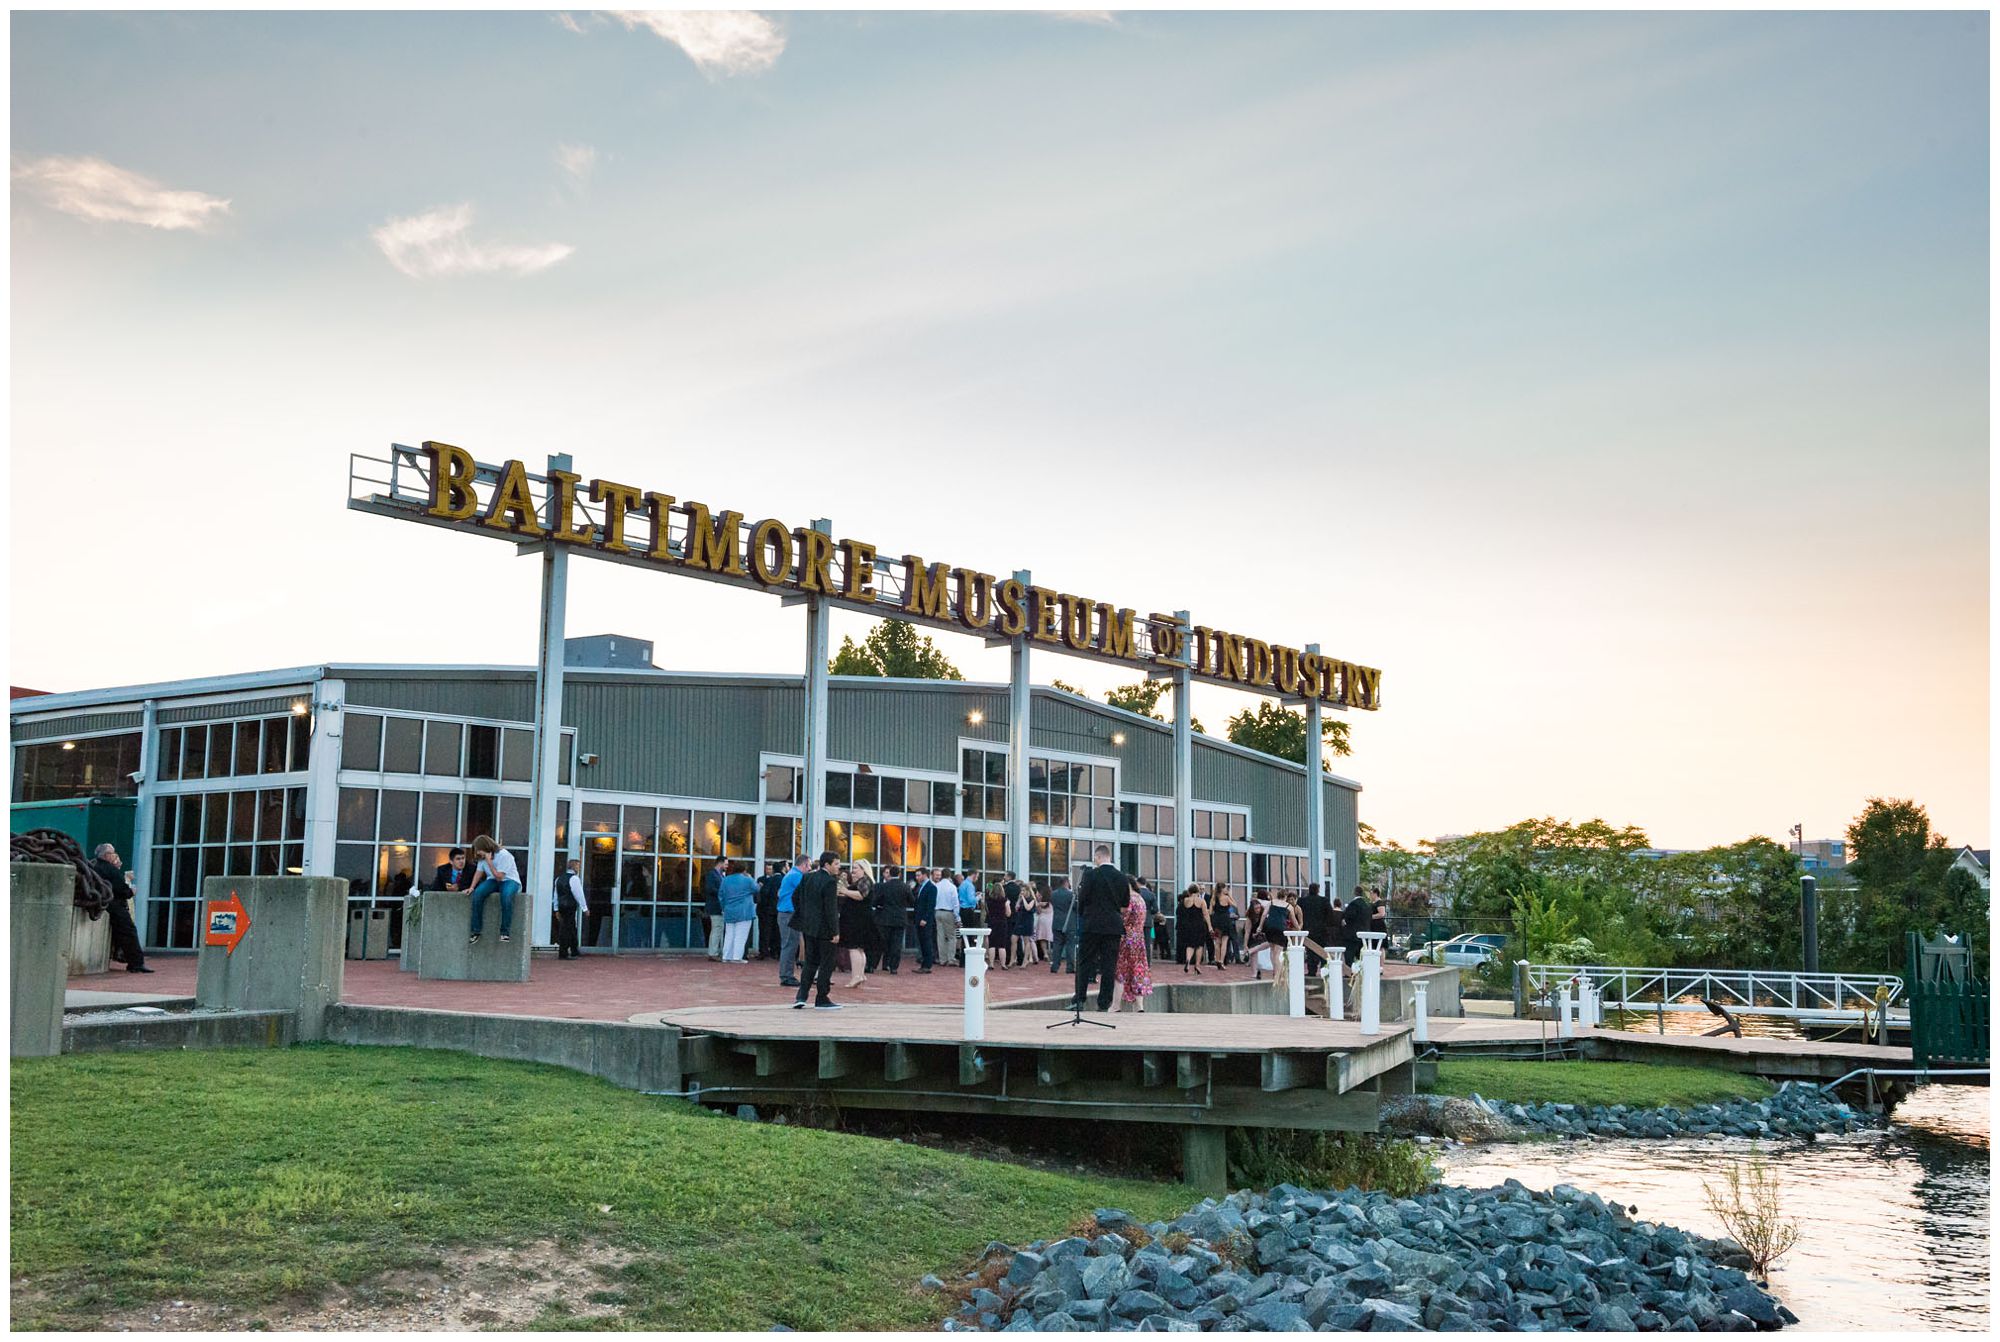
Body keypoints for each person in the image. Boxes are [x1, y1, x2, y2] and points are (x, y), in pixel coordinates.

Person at [1071, 844, 1128, 1012]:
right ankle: (1103, 1003)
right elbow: (1125, 905)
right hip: (1113, 926)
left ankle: (1079, 999)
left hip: (1092, 924)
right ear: (1109, 857)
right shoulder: (1121, 877)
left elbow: (1082, 898)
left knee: (1085, 962)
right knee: (1109, 965)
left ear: (1097, 857)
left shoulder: (1090, 875)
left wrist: (1083, 914)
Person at [791, 851, 843, 1010]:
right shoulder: (829, 882)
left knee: (810, 962)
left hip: (808, 927)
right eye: (836, 864)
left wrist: (805, 914)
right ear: (827, 864)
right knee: (827, 963)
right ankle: (822, 997)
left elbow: (795, 897)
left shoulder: (807, 877)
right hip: (825, 929)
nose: (839, 867)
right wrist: (835, 931)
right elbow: (830, 909)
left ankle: (801, 996)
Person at [90, 843, 151, 974]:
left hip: (104, 904)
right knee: (129, 932)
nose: (115, 856)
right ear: (107, 856)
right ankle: (136, 963)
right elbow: (122, 890)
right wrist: (131, 891)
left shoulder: (94, 867)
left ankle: (127, 958)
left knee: (122, 933)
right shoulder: (110, 870)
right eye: (113, 853)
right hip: (115, 906)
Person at [466, 836, 521, 943]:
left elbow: (500, 876)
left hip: (509, 879)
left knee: (506, 896)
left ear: (485, 847)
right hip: (493, 880)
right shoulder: (482, 859)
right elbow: (479, 872)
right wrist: (472, 887)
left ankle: (505, 932)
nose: (478, 853)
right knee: (478, 894)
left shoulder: (504, 855)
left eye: (479, 850)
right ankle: (476, 930)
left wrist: (490, 862)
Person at [1114, 879, 1154, 1012]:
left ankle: (1116, 1005)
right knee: (1138, 969)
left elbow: (1123, 918)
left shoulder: (1129, 899)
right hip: (1139, 938)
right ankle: (1139, 1005)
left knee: (1121, 971)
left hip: (1127, 937)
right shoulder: (1140, 899)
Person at [837, 859, 875, 990]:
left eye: (856, 868)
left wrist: (845, 891)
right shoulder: (861, 882)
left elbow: (860, 895)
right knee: (859, 949)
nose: (853, 871)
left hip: (857, 920)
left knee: (853, 948)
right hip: (858, 918)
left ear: (864, 869)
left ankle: (856, 976)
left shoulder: (865, 881)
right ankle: (860, 975)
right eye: (853, 868)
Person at [871, 865, 913, 974]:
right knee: (896, 944)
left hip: (886, 918)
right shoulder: (905, 887)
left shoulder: (884, 886)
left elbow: (875, 901)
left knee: (883, 942)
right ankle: (893, 967)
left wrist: (881, 905)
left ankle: (875, 964)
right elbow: (912, 901)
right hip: (900, 918)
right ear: (899, 874)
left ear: (890, 874)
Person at [718, 859, 759, 962]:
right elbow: (756, 889)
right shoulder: (747, 880)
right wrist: (751, 878)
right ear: (744, 869)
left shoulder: (726, 880)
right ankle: (737, 957)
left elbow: (721, 895)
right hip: (744, 911)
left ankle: (726, 956)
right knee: (740, 935)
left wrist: (724, 907)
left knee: (729, 934)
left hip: (729, 910)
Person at [775, 855, 807, 986]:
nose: (809, 869)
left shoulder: (790, 874)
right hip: (788, 913)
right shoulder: (796, 875)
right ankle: (786, 975)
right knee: (789, 944)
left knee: (790, 943)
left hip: (786, 912)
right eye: (809, 866)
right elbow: (807, 890)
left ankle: (786, 974)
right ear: (804, 865)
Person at [1299, 882, 1335, 976]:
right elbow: (1330, 915)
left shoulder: (1302, 901)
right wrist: (1326, 925)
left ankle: (1312, 971)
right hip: (1321, 930)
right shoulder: (1324, 901)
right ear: (1318, 890)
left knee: (1310, 952)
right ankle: (1324, 970)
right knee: (1323, 950)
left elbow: (1299, 914)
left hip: (1308, 930)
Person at [554, 858, 586, 960]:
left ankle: (574, 950)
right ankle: (564, 952)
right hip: (570, 906)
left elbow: (556, 895)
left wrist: (556, 909)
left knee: (570, 927)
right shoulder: (574, 879)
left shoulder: (559, 878)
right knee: (567, 929)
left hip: (562, 906)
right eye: (578, 866)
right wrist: (584, 908)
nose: (579, 868)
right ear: (574, 867)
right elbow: (579, 894)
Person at [1177, 885, 1209, 974]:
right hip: (1199, 925)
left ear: (1189, 892)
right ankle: (1197, 965)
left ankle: (1188, 960)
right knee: (1199, 946)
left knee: (1190, 945)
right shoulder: (1201, 901)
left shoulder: (1185, 901)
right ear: (1198, 891)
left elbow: (1181, 913)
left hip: (1188, 925)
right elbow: (1206, 914)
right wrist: (1210, 927)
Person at [911, 867, 938, 974]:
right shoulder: (920, 886)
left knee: (926, 941)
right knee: (921, 941)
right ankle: (923, 963)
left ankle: (927, 964)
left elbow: (931, 905)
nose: (917, 878)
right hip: (918, 917)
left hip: (925, 919)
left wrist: (925, 918)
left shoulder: (931, 887)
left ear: (924, 875)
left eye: (918, 875)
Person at [933, 869, 961, 969]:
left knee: (940, 936)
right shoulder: (952, 887)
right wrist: (957, 917)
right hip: (948, 912)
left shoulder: (937, 886)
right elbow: (955, 903)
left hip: (938, 911)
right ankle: (951, 958)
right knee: (951, 936)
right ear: (950, 876)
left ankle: (942, 959)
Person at [756, 861, 785, 960]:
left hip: (768, 909)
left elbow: (764, 893)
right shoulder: (782, 879)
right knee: (773, 932)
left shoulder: (770, 881)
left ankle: (769, 951)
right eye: (767, 869)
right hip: (775, 909)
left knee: (767, 931)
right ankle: (772, 951)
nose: (768, 871)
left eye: (770, 869)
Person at [1047, 876, 1075, 975]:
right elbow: (1076, 908)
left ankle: (1055, 966)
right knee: (1070, 945)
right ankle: (1070, 967)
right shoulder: (1071, 895)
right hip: (1069, 923)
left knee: (1057, 945)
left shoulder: (1053, 894)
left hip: (1057, 921)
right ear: (1066, 882)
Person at [984, 878, 1013, 971]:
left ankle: (991, 964)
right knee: (1001, 944)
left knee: (992, 943)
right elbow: (1008, 913)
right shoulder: (1005, 900)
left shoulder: (989, 900)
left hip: (992, 922)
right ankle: (1003, 964)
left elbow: (987, 911)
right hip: (1002, 922)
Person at [1032, 883, 1054, 964]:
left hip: (1042, 919)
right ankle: (1052, 954)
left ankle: (1045, 953)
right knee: (1051, 937)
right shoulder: (1051, 901)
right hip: (1051, 919)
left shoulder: (1040, 902)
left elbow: (1038, 912)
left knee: (1042, 937)